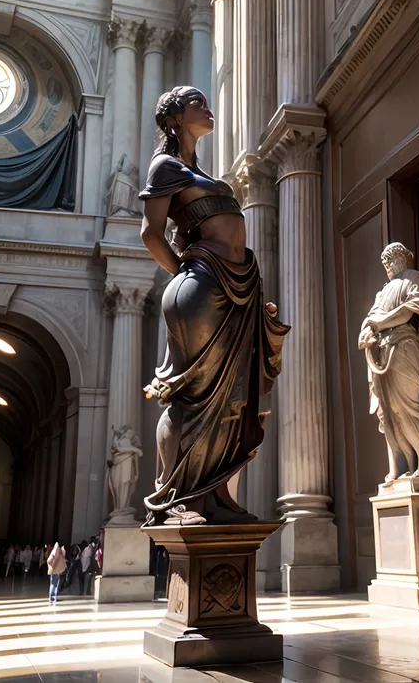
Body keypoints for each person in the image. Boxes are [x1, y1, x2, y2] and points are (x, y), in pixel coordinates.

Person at [140, 86, 289, 525]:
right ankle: (179, 497)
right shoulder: (164, 164)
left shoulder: (196, 170)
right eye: (197, 104)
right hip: (203, 284)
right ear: (174, 119)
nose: (208, 110)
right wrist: (185, 272)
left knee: (234, 395)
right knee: (192, 394)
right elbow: (152, 233)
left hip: (236, 285)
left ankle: (216, 494)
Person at [359, 242, 419, 483]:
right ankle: (402, 465)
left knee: (410, 407)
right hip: (384, 353)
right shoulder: (383, 291)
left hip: (405, 347)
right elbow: (368, 321)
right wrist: (368, 331)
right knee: (390, 412)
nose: (386, 265)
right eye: (384, 262)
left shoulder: (413, 278)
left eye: (389, 259)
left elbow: (410, 311)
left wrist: (378, 323)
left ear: (400, 258)